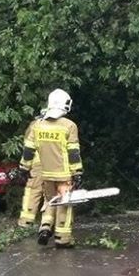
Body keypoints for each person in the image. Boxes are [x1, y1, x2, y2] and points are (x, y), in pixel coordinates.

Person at [18, 89, 83, 248]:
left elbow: (28, 151)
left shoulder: (38, 126)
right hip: (64, 175)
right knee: (64, 205)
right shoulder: (69, 126)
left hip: (46, 174)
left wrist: (24, 168)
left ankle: (45, 226)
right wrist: (78, 172)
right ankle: (63, 239)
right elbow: (73, 152)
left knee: (50, 201)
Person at [16, 110, 45, 228]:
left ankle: (26, 222)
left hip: (37, 164)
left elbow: (28, 148)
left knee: (32, 191)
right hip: (55, 165)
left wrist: (24, 167)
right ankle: (48, 223)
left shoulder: (34, 126)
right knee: (52, 193)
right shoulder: (59, 126)